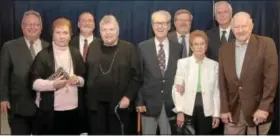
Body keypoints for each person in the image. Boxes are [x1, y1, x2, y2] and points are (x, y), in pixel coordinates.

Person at [219, 12, 278, 135]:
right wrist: (224, 109)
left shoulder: (266, 44)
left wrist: (264, 107)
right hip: (232, 112)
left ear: (251, 26)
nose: (240, 30)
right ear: (232, 28)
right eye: (236, 27)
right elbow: (222, 82)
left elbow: (271, 80)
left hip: (258, 112)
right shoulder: (224, 49)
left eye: (244, 26)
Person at [85, 15, 141, 135]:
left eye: (111, 29)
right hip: (96, 106)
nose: (108, 33)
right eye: (104, 30)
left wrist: (128, 97)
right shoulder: (93, 46)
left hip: (119, 105)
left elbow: (137, 76)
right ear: (100, 31)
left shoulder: (129, 48)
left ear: (118, 30)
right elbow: (87, 71)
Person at [29, 17, 86, 134]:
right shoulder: (43, 55)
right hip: (50, 112)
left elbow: (84, 79)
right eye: (58, 32)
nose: (61, 36)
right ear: (52, 34)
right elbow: (33, 83)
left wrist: (78, 80)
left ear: (70, 35)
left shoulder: (75, 53)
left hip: (74, 110)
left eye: (65, 33)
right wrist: (52, 84)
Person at [0, 10, 49, 135]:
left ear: (41, 27)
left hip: (44, 106)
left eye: (36, 24)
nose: (32, 27)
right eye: (28, 24)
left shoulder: (49, 47)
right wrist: (3, 98)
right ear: (22, 27)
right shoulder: (9, 47)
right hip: (18, 105)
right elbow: (3, 74)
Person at [136, 10, 182, 135]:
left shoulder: (178, 48)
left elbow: (181, 77)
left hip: (170, 104)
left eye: (163, 23)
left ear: (169, 26)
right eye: (157, 23)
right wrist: (139, 102)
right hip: (148, 104)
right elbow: (138, 76)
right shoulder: (142, 47)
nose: (160, 27)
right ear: (152, 25)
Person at [172, 30, 220, 134]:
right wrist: (180, 111)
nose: (199, 47)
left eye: (202, 44)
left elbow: (216, 91)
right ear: (191, 47)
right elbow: (177, 89)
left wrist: (216, 114)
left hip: (207, 110)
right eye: (196, 44)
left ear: (206, 46)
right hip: (187, 109)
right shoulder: (183, 63)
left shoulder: (214, 65)